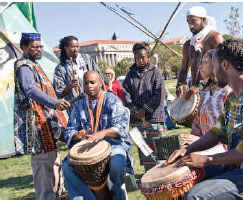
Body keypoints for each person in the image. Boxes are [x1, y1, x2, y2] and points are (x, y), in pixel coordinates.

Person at [165, 39, 243, 200]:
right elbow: (217, 133)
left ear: (224, 65)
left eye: (214, 64)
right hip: (238, 168)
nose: (213, 70)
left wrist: (206, 160)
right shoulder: (234, 97)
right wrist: (188, 150)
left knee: (196, 196)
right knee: (181, 181)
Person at [14, 33, 71, 200]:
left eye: (40, 46)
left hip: (46, 123)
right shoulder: (24, 66)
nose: (39, 49)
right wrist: (54, 103)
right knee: (42, 165)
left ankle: (56, 194)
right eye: (35, 46)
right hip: (37, 125)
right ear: (24, 47)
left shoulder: (34, 65)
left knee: (53, 160)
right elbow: (30, 90)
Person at [62, 70, 133, 200]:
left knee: (117, 163)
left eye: (92, 82)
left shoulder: (112, 100)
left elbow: (121, 127)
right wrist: (77, 135)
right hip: (87, 147)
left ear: (100, 83)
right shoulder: (79, 105)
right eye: (86, 83)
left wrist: (104, 133)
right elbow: (69, 130)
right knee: (66, 166)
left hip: (112, 145)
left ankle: (118, 196)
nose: (89, 86)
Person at [122, 43, 166, 171]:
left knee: (160, 150)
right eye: (137, 58)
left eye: (143, 57)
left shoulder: (155, 72)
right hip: (138, 120)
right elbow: (126, 95)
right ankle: (150, 175)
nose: (140, 60)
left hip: (155, 118)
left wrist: (145, 110)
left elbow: (159, 95)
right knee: (145, 152)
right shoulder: (130, 75)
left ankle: (163, 176)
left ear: (148, 57)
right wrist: (135, 110)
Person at [180, 49, 231, 146]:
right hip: (205, 147)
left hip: (222, 151)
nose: (200, 66)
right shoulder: (204, 93)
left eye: (205, 62)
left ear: (216, 65)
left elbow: (230, 132)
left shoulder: (227, 93)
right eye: (201, 62)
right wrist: (191, 140)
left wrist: (200, 141)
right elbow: (197, 124)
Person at [176, 6, 224, 99]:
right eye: (188, 22)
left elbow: (224, 68)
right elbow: (183, 70)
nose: (190, 26)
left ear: (203, 20)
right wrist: (180, 84)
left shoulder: (215, 38)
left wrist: (201, 87)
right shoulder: (188, 45)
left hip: (215, 93)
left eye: (193, 21)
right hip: (195, 94)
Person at [53, 35, 104, 115]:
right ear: (66, 48)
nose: (76, 49)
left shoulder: (87, 59)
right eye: (73, 47)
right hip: (75, 108)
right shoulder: (60, 68)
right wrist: (70, 87)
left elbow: (99, 77)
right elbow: (59, 93)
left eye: (77, 46)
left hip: (95, 103)